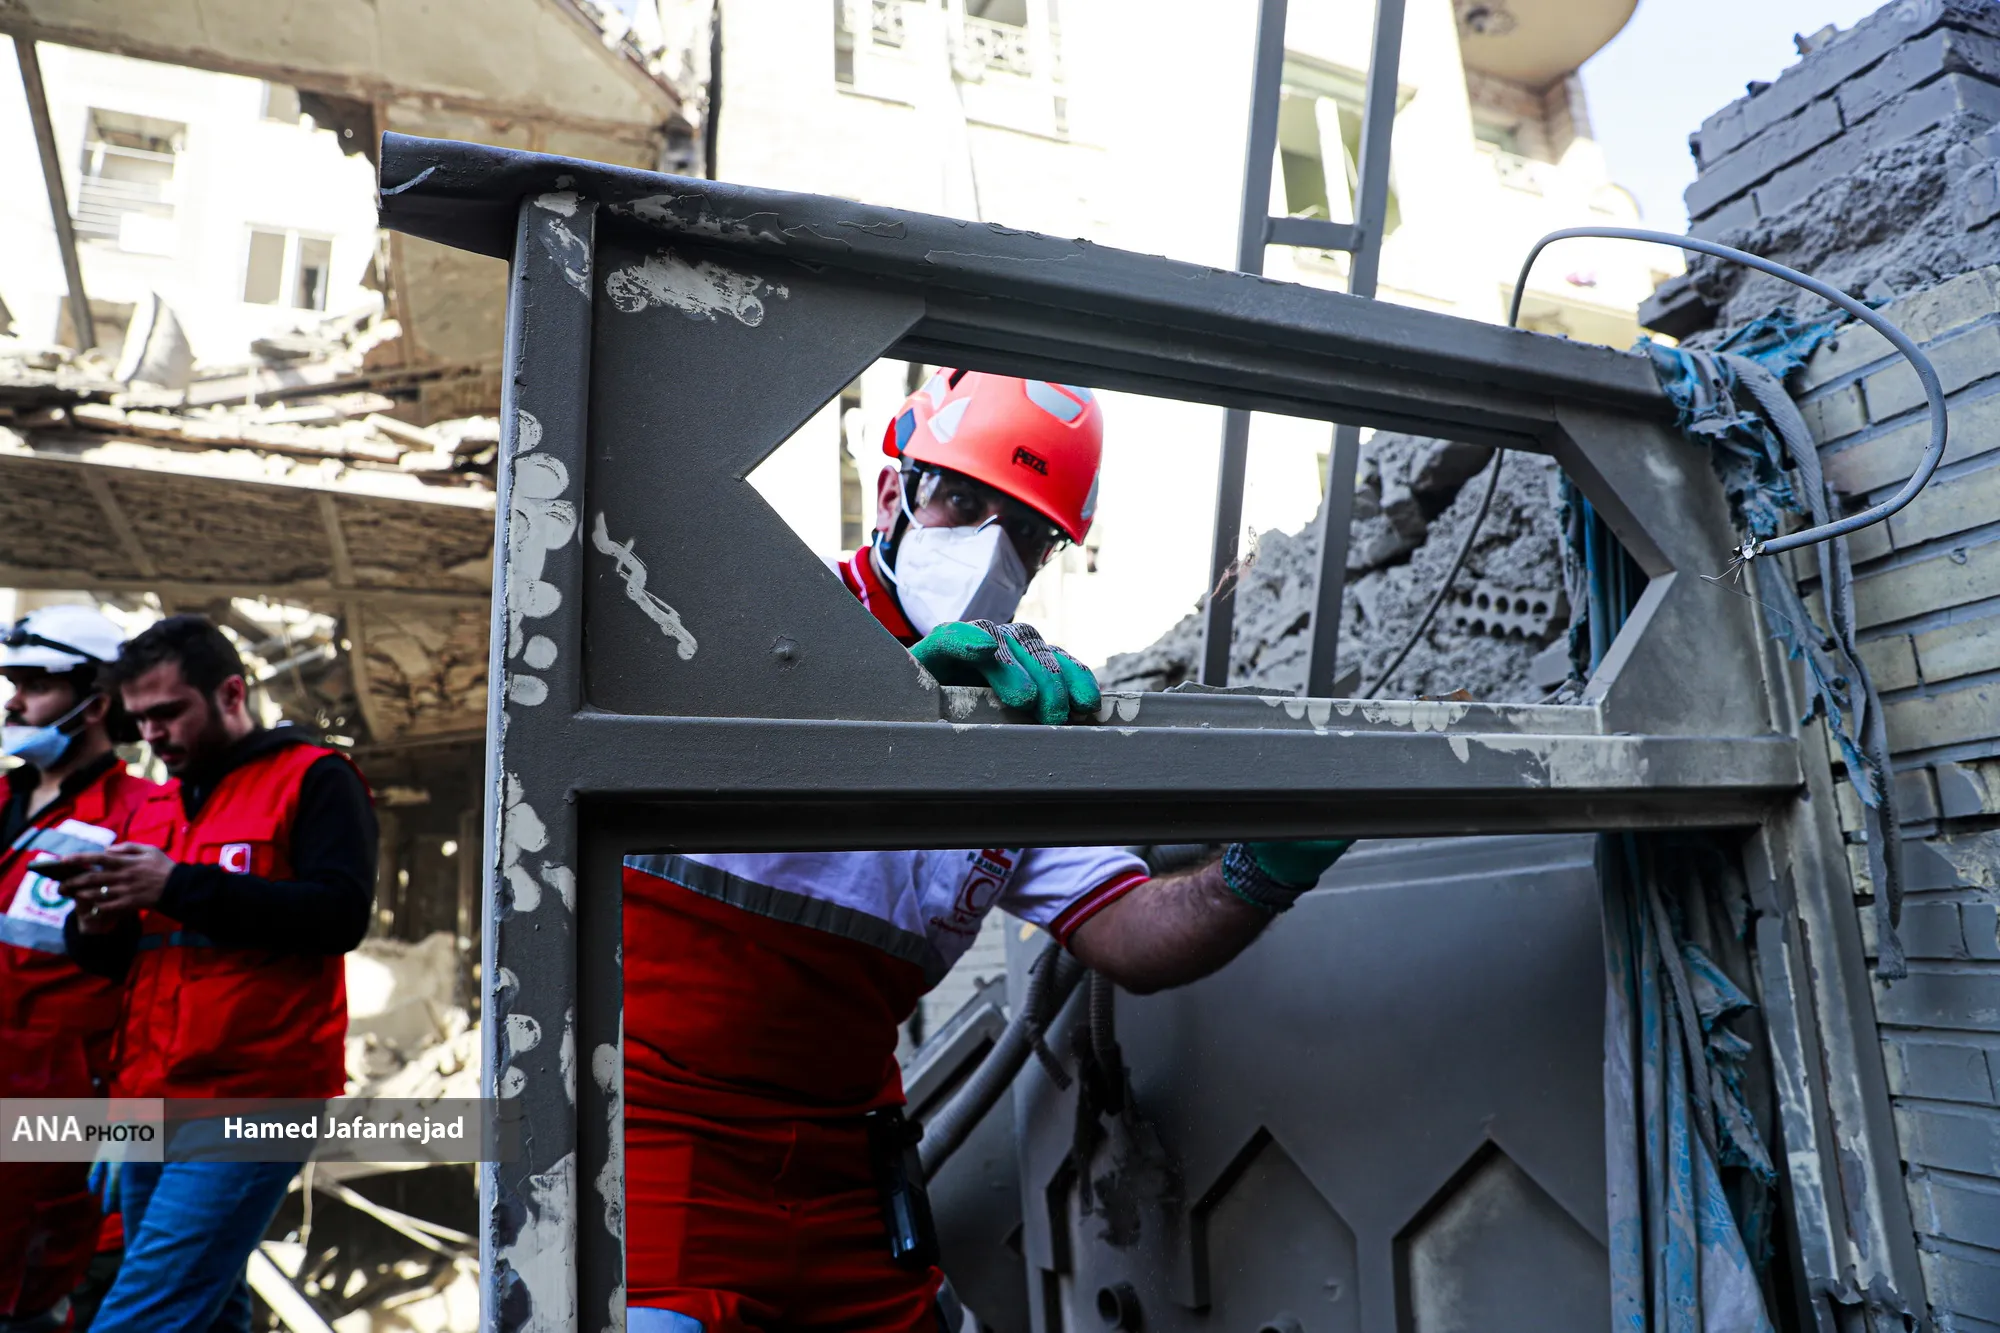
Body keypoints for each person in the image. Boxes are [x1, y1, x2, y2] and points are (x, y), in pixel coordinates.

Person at [623, 371, 1353, 1331]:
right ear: (895, 492)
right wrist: (881, 713)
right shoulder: (749, 622)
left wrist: (1257, 875)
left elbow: (1129, 933)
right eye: (962, 503)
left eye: (1026, 532)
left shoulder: (1015, 714)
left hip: (847, 1163)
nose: (988, 549)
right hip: (656, 1143)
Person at [41, 615, 378, 1333]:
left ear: (230, 694)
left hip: (253, 1097)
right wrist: (95, 923)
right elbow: (133, 958)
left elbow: (339, 915)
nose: (153, 734)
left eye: (168, 712)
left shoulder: (313, 778)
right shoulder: (159, 805)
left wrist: (176, 885)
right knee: (207, 1305)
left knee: (145, 1313)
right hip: (150, 1095)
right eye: (141, 719)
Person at [0, 606, 167, 1333]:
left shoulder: (146, 816)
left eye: (35, 684)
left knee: (35, 1297)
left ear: (95, 705)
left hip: (63, 1109)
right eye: (12, 683)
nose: (14, 702)